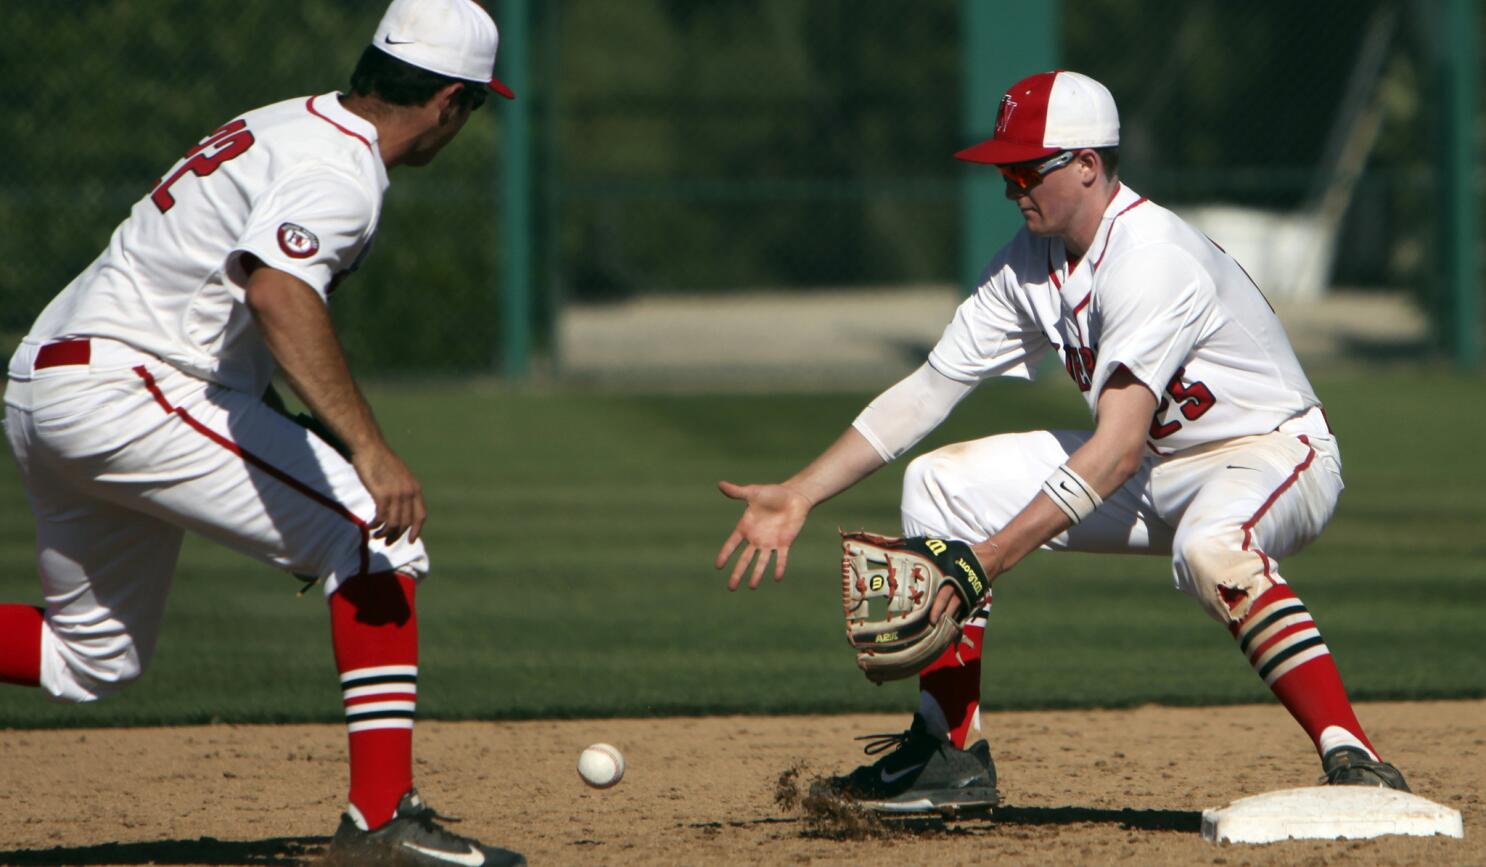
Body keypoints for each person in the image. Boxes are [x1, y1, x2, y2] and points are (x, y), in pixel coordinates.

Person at [715, 69, 1409, 813]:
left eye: (1027, 168)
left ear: (1087, 164)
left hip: (1270, 453)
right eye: (1004, 168)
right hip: (1157, 461)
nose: (1013, 185)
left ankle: (1354, 754)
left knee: (1211, 548)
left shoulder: (1150, 255)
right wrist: (802, 491)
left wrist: (986, 561)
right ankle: (947, 748)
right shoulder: (1029, 262)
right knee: (939, 486)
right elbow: (929, 389)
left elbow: (1111, 452)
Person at [0, 1, 525, 863]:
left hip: (54, 383)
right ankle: (383, 819)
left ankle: (383, 816)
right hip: (129, 386)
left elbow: (225, 293)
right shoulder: (342, 173)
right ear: (448, 103)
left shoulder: (290, 120)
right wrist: (367, 446)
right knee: (373, 531)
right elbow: (277, 292)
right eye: (473, 105)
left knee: (87, 657)